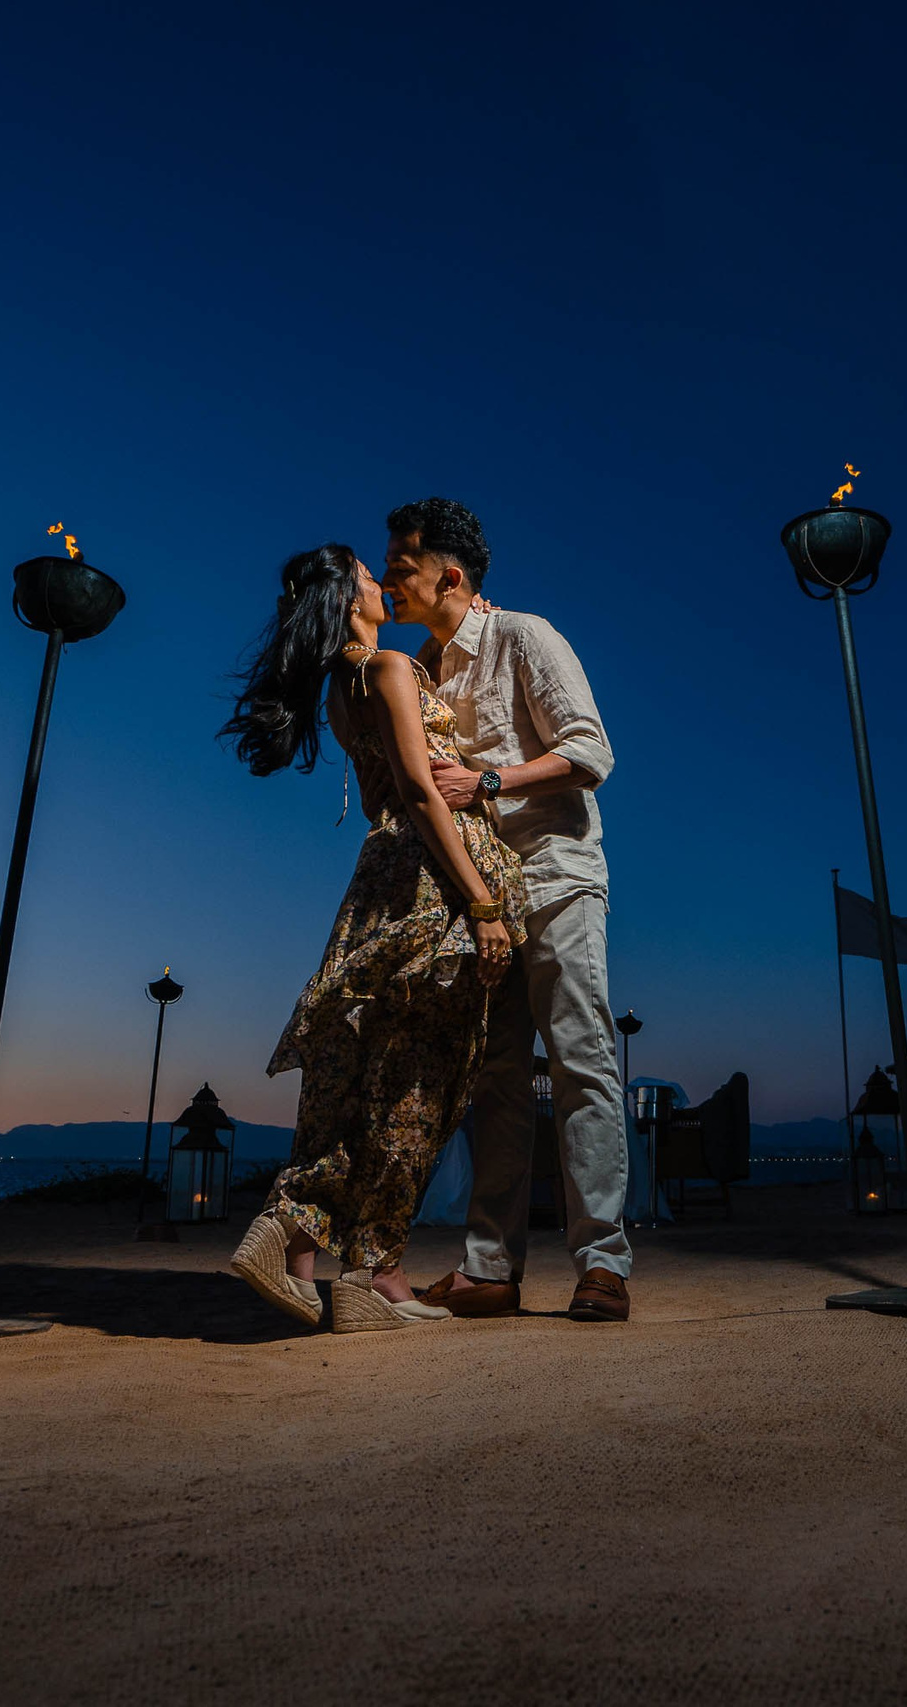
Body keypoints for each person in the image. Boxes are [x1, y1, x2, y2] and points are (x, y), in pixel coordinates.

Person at [219, 543, 526, 1333]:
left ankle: (321, 1254)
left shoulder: (342, 688)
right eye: (368, 573)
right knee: (419, 1083)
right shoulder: (387, 668)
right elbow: (424, 795)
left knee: (361, 1069)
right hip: (435, 878)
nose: (382, 581)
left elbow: (387, 791)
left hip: (383, 880)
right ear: (345, 595)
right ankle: (362, 1265)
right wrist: (483, 902)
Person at [379, 497, 633, 1324]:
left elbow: (592, 750)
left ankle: (602, 1264)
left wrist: (490, 780)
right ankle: (489, 1268)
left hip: (557, 875)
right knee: (494, 1080)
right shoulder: (425, 662)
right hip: (484, 897)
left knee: (581, 1059)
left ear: (450, 574)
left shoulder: (525, 634)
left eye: (403, 566)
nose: (390, 578)